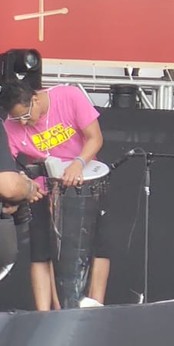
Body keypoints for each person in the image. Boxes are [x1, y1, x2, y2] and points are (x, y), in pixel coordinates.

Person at [0, 80, 111, 309]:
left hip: (85, 180)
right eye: (16, 118)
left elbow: (95, 137)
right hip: (44, 187)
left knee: (98, 246)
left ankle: (97, 305)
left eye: (26, 115)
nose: (22, 121)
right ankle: (46, 314)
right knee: (42, 251)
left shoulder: (69, 96)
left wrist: (78, 163)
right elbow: (9, 167)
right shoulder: (11, 126)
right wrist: (24, 184)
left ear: (35, 98)